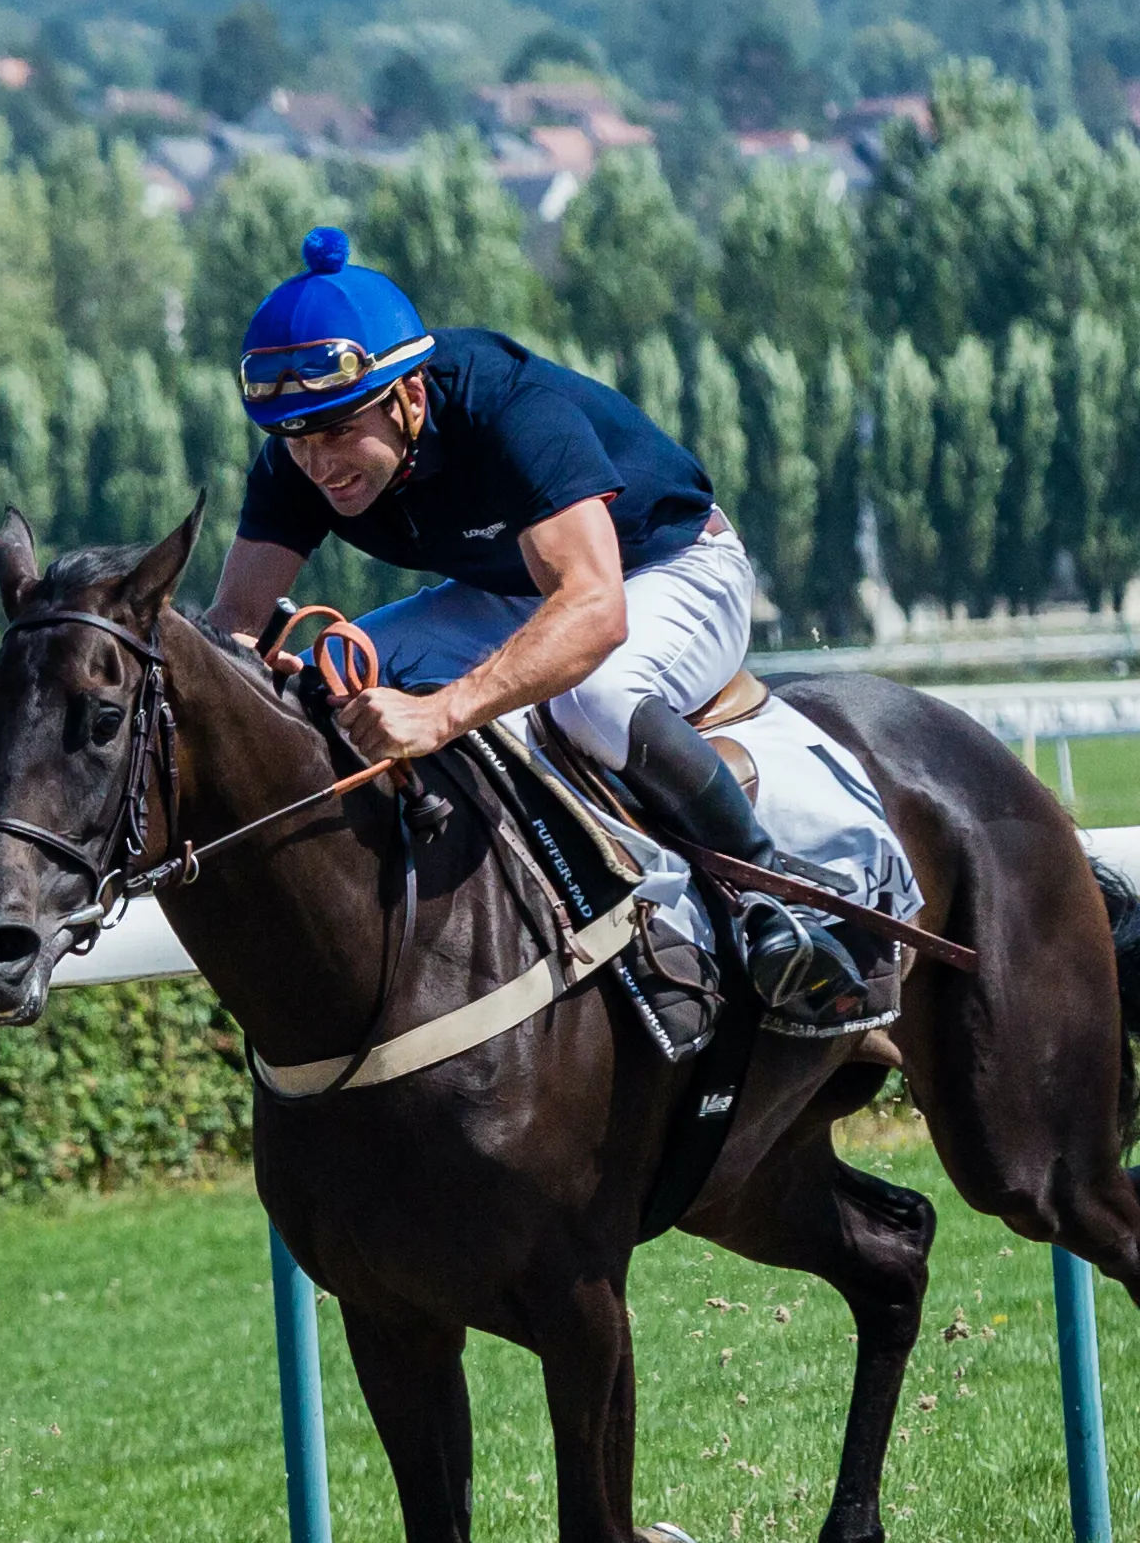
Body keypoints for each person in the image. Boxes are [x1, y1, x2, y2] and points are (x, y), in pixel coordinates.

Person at [206, 224, 869, 1019]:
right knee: (328, 671)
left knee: (590, 699)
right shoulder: (299, 455)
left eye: (341, 430)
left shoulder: (508, 406)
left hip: (663, 570)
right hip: (513, 588)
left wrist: (440, 712)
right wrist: (260, 676)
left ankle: (774, 905)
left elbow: (593, 610)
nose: (319, 464)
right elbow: (234, 627)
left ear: (409, 396)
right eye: (296, 438)